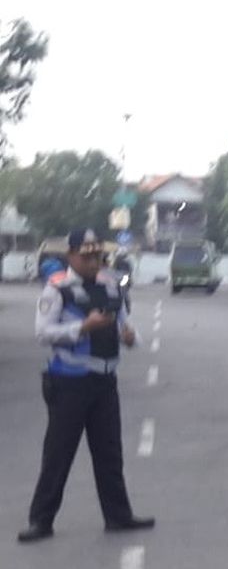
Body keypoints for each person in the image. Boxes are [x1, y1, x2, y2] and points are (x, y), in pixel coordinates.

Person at [19, 230, 155, 543]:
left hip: (104, 382)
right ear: (71, 256)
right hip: (69, 383)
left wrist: (131, 338)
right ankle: (41, 521)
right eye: (87, 256)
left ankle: (118, 516)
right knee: (58, 454)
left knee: (110, 454)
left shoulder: (111, 286)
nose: (94, 262)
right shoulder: (57, 289)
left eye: (98, 256)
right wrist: (83, 327)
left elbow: (125, 325)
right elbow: (43, 333)